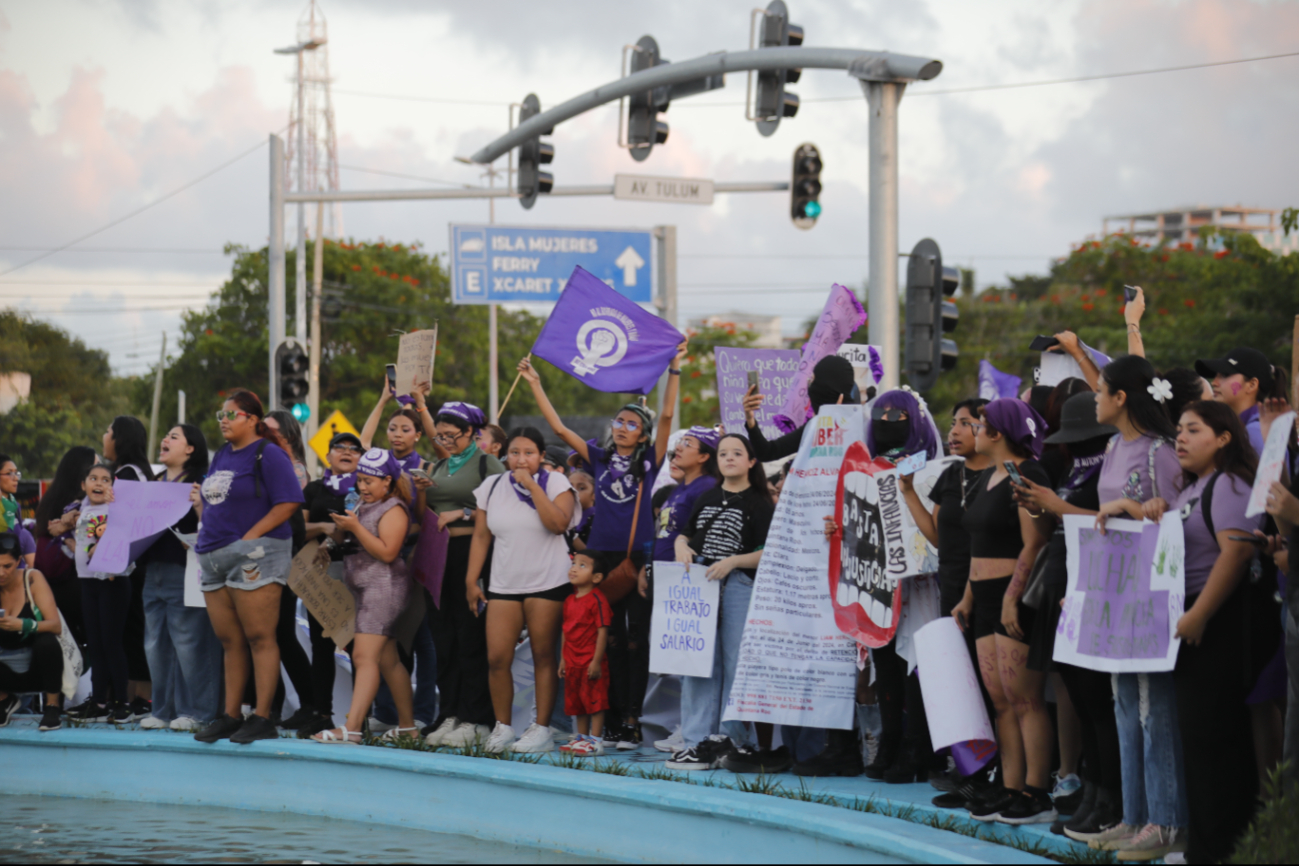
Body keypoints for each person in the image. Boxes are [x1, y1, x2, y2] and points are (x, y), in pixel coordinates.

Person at [519, 345, 684, 750]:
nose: (623, 427)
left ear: (642, 434)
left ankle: (631, 721)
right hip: (598, 558)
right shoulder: (599, 458)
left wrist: (674, 369)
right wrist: (535, 383)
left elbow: (666, 417)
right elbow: (560, 429)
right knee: (602, 641)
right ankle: (604, 723)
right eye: (619, 421)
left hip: (636, 558)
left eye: (632, 423)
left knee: (634, 641)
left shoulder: (650, 462)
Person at [1011, 393, 1124, 838]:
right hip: (1065, 583)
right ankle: (1093, 793)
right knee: (1080, 696)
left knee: (1097, 700)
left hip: (1096, 582)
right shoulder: (1074, 468)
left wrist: (1056, 506)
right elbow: (1054, 525)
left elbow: (1111, 522)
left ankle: (1109, 798)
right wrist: (1037, 506)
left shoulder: (1112, 466)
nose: (1071, 445)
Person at [1151, 401, 1260, 863]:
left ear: (1223, 438)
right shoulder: (1191, 489)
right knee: (1198, 741)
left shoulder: (1230, 484)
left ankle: (1221, 850)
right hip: (1190, 621)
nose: (1180, 437)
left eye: (1193, 429)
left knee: (1217, 741)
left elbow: (1236, 554)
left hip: (1217, 622)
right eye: (1179, 429)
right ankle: (1206, 847)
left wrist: (1200, 614)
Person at [1086, 356, 1187, 853]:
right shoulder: (1111, 447)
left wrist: (1135, 508)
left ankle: (1166, 821)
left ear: (1121, 397)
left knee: (1153, 705)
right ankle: (1134, 816)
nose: (1095, 397)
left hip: (1151, 596)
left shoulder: (1160, 453)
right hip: (1115, 593)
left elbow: (1180, 520)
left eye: (1101, 389)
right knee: (1124, 702)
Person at [951, 398, 1054, 825]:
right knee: (1000, 700)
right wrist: (967, 597)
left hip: (1015, 596)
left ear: (998, 433)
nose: (975, 430)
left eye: (980, 424)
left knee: (1024, 697)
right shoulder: (989, 475)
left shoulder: (1025, 473)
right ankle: (1010, 786)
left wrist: (1013, 596)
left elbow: (1035, 542)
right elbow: (979, 547)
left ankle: (1036, 790)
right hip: (985, 598)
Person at [191, 389, 304, 745]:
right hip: (214, 556)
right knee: (230, 641)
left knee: (260, 637)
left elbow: (290, 502)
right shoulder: (223, 454)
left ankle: (263, 716)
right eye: (220, 415)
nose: (223, 420)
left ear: (252, 419)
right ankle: (231, 715)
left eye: (231, 414)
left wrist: (250, 537)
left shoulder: (268, 453)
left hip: (254, 555)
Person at [465, 426, 580, 754]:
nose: (521, 459)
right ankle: (503, 727)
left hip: (548, 581)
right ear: (506, 455)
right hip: (504, 583)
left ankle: (541, 728)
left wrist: (531, 485)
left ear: (541, 456)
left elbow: (558, 524)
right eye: (515, 452)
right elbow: (481, 536)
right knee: (497, 657)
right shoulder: (492, 486)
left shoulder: (555, 482)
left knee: (543, 655)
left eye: (529, 453)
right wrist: (471, 580)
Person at [900, 398, 991, 805]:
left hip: (987, 589)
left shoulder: (999, 476)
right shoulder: (951, 475)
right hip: (951, 589)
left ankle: (992, 776)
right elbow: (937, 537)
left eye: (965, 423)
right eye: (953, 422)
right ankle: (970, 771)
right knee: (961, 682)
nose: (953, 431)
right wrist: (907, 491)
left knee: (989, 685)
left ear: (989, 430)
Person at [667, 434, 774, 772]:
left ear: (751, 461)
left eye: (737, 453)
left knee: (736, 664)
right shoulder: (707, 496)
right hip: (701, 584)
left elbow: (769, 553)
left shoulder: (760, 503)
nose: (729, 458)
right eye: (723, 453)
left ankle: (733, 741)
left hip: (740, 585)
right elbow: (687, 533)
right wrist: (680, 545)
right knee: (697, 663)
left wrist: (734, 562)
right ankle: (696, 741)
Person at [417, 401, 506, 750]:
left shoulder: (487, 463)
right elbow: (428, 510)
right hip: (438, 556)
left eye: (451, 435)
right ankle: (450, 712)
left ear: (471, 432)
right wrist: (421, 489)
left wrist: (464, 513)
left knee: (470, 636)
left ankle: (477, 717)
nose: (445, 441)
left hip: (471, 554)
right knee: (444, 637)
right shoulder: (439, 465)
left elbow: (502, 507)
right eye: (440, 436)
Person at [313, 448, 417, 744]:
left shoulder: (394, 508)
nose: (362, 487)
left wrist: (356, 527)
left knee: (363, 656)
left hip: (383, 588)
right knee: (388, 660)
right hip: (366, 588)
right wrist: (333, 539)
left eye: (369, 482)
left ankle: (353, 727)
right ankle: (408, 727)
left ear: (387, 481)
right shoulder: (362, 503)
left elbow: (388, 552)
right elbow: (353, 539)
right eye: (360, 480)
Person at [359, 380, 436, 737]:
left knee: (421, 640)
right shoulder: (381, 464)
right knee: (385, 641)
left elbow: (422, 518)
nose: (397, 435)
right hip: (376, 559)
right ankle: (387, 713)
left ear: (418, 435)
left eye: (406, 429)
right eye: (392, 428)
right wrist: (382, 398)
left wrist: (420, 495)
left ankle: (422, 714)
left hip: (411, 556)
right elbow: (363, 442)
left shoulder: (425, 467)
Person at [137, 425, 221, 732]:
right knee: (155, 644)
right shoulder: (154, 483)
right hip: (153, 571)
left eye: (174, 437)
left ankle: (198, 712)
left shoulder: (202, 482)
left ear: (190, 448)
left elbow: (216, 526)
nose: (165, 440)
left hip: (186, 570)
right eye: (165, 436)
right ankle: (162, 710)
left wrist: (200, 507)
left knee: (190, 642)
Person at [646, 427, 720, 756]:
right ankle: (688, 726)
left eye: (688, 444)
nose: (678, 447)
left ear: (704, 456)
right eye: (680, 442)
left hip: (690, 580)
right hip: (668, 578)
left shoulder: (705, 487)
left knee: (694, 660)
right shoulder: (680, 487)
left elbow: (698, 534)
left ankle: (695, 731)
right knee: (681, 661)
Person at [289, 431, 364, 738]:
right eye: (339, 447)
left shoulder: (366, 486)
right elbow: (298, 528)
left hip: (357, 571)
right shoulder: (315, 489)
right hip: (319, 574)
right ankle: (322, 714)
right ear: (328, 455)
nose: (346, 452)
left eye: (354, 448)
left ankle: (361, 718)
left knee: (359, 647)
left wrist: (339, 535)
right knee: (322, 647)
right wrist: (324, 526)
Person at [66, 463, 134, 723]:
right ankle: (98, 701)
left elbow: (125, 537)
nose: (99, 483)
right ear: (83, 485)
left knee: (111, 643)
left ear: (113, 487)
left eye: (106, 480)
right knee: (95, 644)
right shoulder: (83, 509)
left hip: (112, 582)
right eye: (93, 478)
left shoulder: (116, 510)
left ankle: (122, 702)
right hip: (88, 582)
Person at [101, 416, 155, 718]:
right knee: (133, 631)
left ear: (120, 438)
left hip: (130, 565)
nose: (104, 436)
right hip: (137, 564)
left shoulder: (127, 475)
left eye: (109, 431)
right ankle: (132, 698)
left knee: (131, 632)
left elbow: (124, 521)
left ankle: (140, 699)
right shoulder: (138, 472)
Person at [33, 446, 97, 649]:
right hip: (77, 581)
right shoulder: (83, 505)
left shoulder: (50, 500)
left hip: (51, 584)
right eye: (96, 469)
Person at [0, 533, 65, 732]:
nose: (1, 573)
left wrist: (25, 625)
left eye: (7, 566)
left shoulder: (32, 578)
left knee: (47, 642)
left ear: (19, 561)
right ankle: (4, 700)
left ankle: (52, 706)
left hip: (37, 668)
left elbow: (55, 625)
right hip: (5, 668)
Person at [742, 354, 859, 462]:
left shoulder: (862, 423)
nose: (810, 388)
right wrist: (750, 420)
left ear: (825, 386)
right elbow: (767, 452)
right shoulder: (814, 427)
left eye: (813, 381)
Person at [558, 550, 612, 758]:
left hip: (590, 661)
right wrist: (563, 659)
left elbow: (602, 631)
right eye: (574, 563)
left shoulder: (597, 600)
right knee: (577, 702)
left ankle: (596, 740)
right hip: (572, 661)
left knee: (595, 701)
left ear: (597, 577)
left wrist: (596, 661)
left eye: (582, 565)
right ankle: (581, 737)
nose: (574, 569)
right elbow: (565, 630)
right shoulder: (569, 600)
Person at [1195, 347, 1289, 453]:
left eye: (1225, 374)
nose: (1214, 382)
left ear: (1252, 385)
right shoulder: (1242, 429)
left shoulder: (1255, 432)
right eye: (1216, 375)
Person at [0, 456, 34, 568]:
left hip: (17, 571)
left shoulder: (15, 505)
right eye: (9, 473)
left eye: (16, 473)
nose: (15, 478)